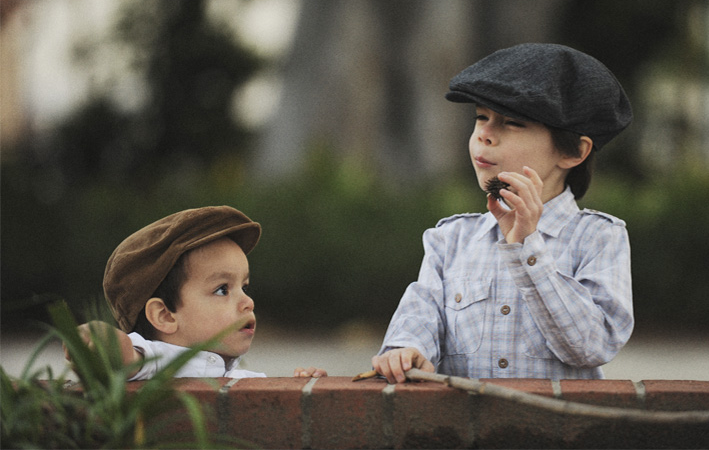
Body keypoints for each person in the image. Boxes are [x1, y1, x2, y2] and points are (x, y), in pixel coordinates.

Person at [372, 43, 634, 383]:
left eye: (511, 123)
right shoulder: (449, 240)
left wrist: (527, 246)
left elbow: (591, 346)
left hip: (560, 434)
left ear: (574, 152)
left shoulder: (599, 237)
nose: (485, 134)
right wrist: (404, 351)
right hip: (460, 433)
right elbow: (419, 319)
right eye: (481, 117)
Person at [66, 206, 327, 379]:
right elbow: (123, 355)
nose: (248, 302)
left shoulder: (245, 379)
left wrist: (303, 386)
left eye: (244, 287)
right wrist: (93, 340)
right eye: (223, 289)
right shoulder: (159, 363)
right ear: (165, 315)